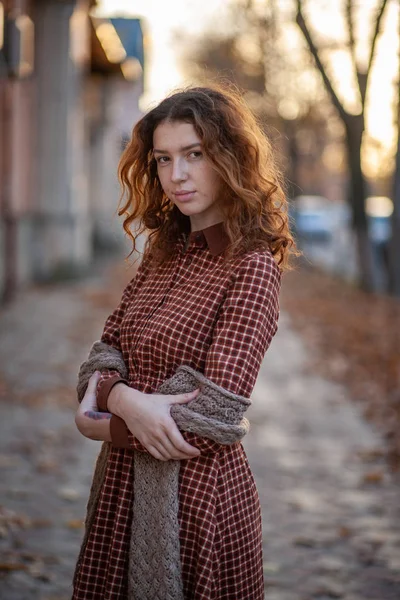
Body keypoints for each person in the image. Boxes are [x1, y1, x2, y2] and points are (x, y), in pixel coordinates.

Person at [73, 85, 297, 600]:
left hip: (199, 505)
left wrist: (101, 421)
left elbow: (212, 415)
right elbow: (102, 356)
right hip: (119, 494)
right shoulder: (162, 255)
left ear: (230, 158)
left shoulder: (252, 267)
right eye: (164, 159)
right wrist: (121, 397)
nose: (177, 175)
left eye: (195, 155)